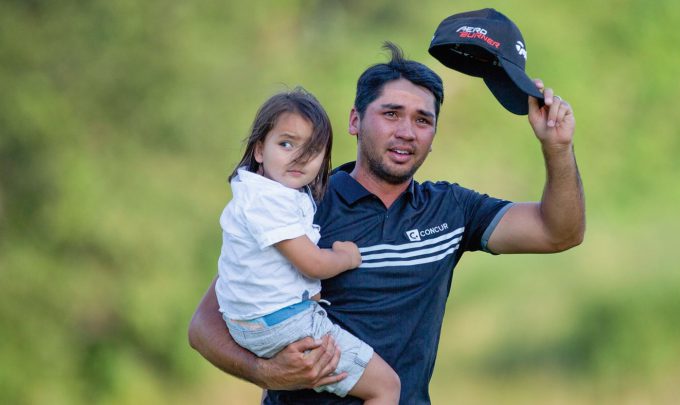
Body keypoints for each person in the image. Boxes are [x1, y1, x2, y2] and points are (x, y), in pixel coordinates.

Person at [188, 43, 585, 404]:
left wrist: (558, 147)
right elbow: (205, 324)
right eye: (391, 114)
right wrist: (267, 373)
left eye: (422, 120)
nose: (406, 132)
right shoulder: (302, 207)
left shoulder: (450, 210)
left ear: (434, 135)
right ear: (355, 120)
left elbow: (559, 232)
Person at [215, 87, 400, 404]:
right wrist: (345, 257)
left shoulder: (255, 190)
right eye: (286, 144)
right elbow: (311, 263)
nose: (299, 157)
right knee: (386, 386)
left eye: (312, 151)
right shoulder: (268, 202)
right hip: (281, 324)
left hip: (250, 321)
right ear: (260, 149)